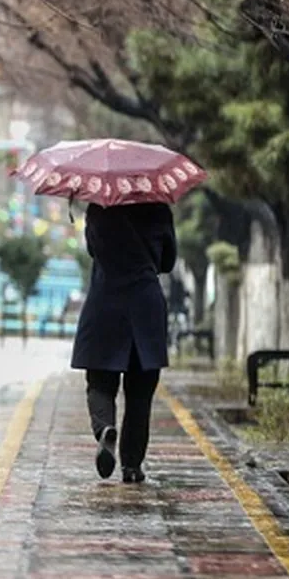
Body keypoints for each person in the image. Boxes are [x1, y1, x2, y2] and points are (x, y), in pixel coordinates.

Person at [70, 202, 176, 483]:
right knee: (140, 395)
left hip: (106, 301)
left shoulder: (98, 208)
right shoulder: (159, 209)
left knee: (100, 382)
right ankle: (132, 466)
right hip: (146, 305)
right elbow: (167, 263)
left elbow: (93, 251)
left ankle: (105, 428)